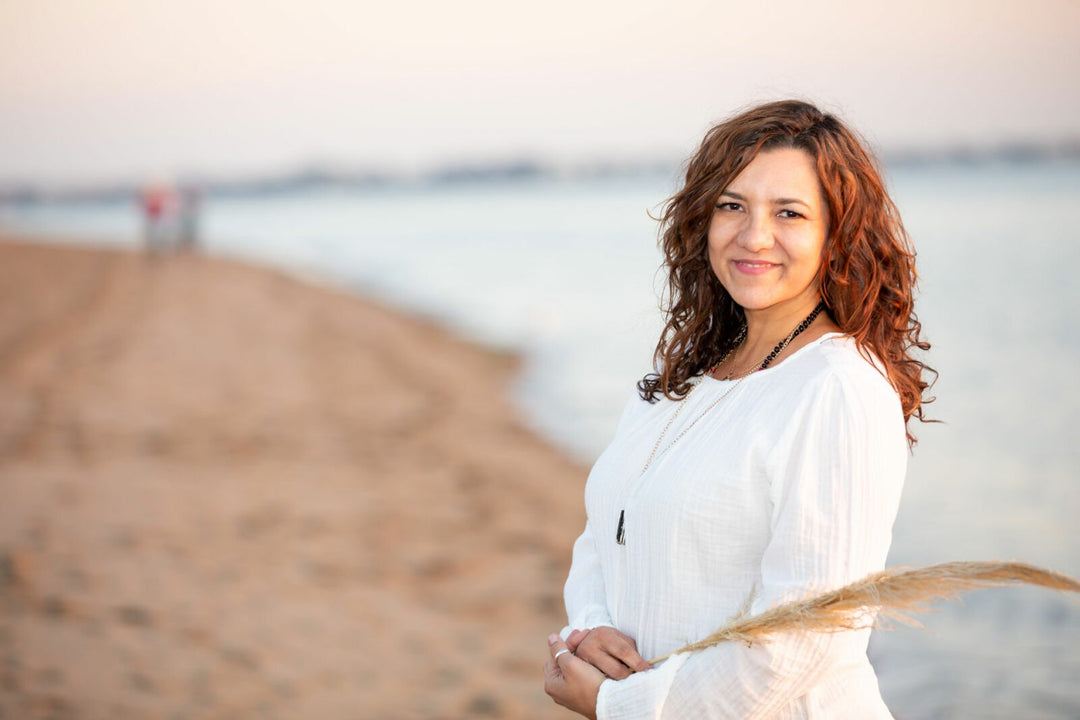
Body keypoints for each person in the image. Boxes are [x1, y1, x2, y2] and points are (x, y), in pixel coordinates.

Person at [543, 100, 934, 719]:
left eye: (789, 212)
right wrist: (589, 632)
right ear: (703, 218)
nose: (754, 236)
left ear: (838, 233)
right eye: (733, 205)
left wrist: (624, 706)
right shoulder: (684, 379)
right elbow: (604, 533)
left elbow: (808, 638)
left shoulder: (837, 389)